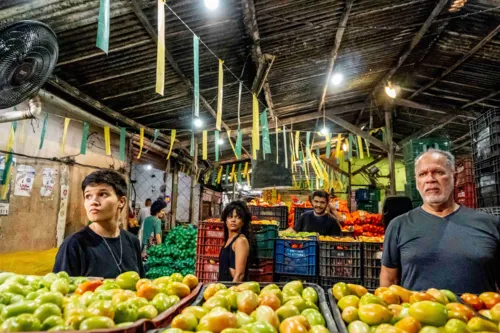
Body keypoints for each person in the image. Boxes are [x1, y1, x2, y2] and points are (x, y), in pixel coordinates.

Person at [381, 149, 500, 293]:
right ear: (417, 182)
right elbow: (389, 279)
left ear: (454, 178)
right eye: (422, 174)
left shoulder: (490, 224)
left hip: (477, 315)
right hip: (418, 315)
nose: (430, 179)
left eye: (438, 172)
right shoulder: (399, 226)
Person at [53, 170, 145, 278]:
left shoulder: (132, 241)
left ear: (121, 202)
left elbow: (141, 286)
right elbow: (61, 290)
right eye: (88, 196)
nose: (93, 202)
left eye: (102, 194)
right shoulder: (74, 244)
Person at [218, 201, 251, 282]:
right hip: (224, 288)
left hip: (232, 290)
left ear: (243, 222)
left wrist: (231, 292)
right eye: (230, 217)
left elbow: (240, 275)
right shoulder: (227, 240)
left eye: (238, 217)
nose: (233, 220)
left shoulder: (240, 241)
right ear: (225, 220)